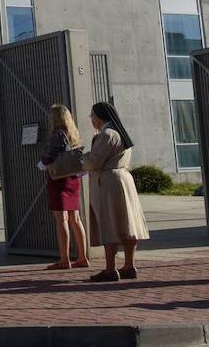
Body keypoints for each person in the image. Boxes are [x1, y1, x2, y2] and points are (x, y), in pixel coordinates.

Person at [80, 102, 150, 282]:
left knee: (109, 223)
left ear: (99, 116)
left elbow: (95, 161)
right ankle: (129, 265)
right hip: (124, 178)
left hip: (109, 182)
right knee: (127, 223)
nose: (91, 119)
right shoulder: (121, 133)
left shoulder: (106, 134)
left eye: (92, 116)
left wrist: (82, 157)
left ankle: (110, 268)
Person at [38, 104, 89, 270]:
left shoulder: (57, 133)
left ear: (55, 118)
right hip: (73, 178)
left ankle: (64, 259)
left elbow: (50, 155)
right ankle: (82, 257)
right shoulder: (73, 132)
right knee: (75, 218)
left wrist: (42, 163)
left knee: (61, 220)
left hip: (59, 179)